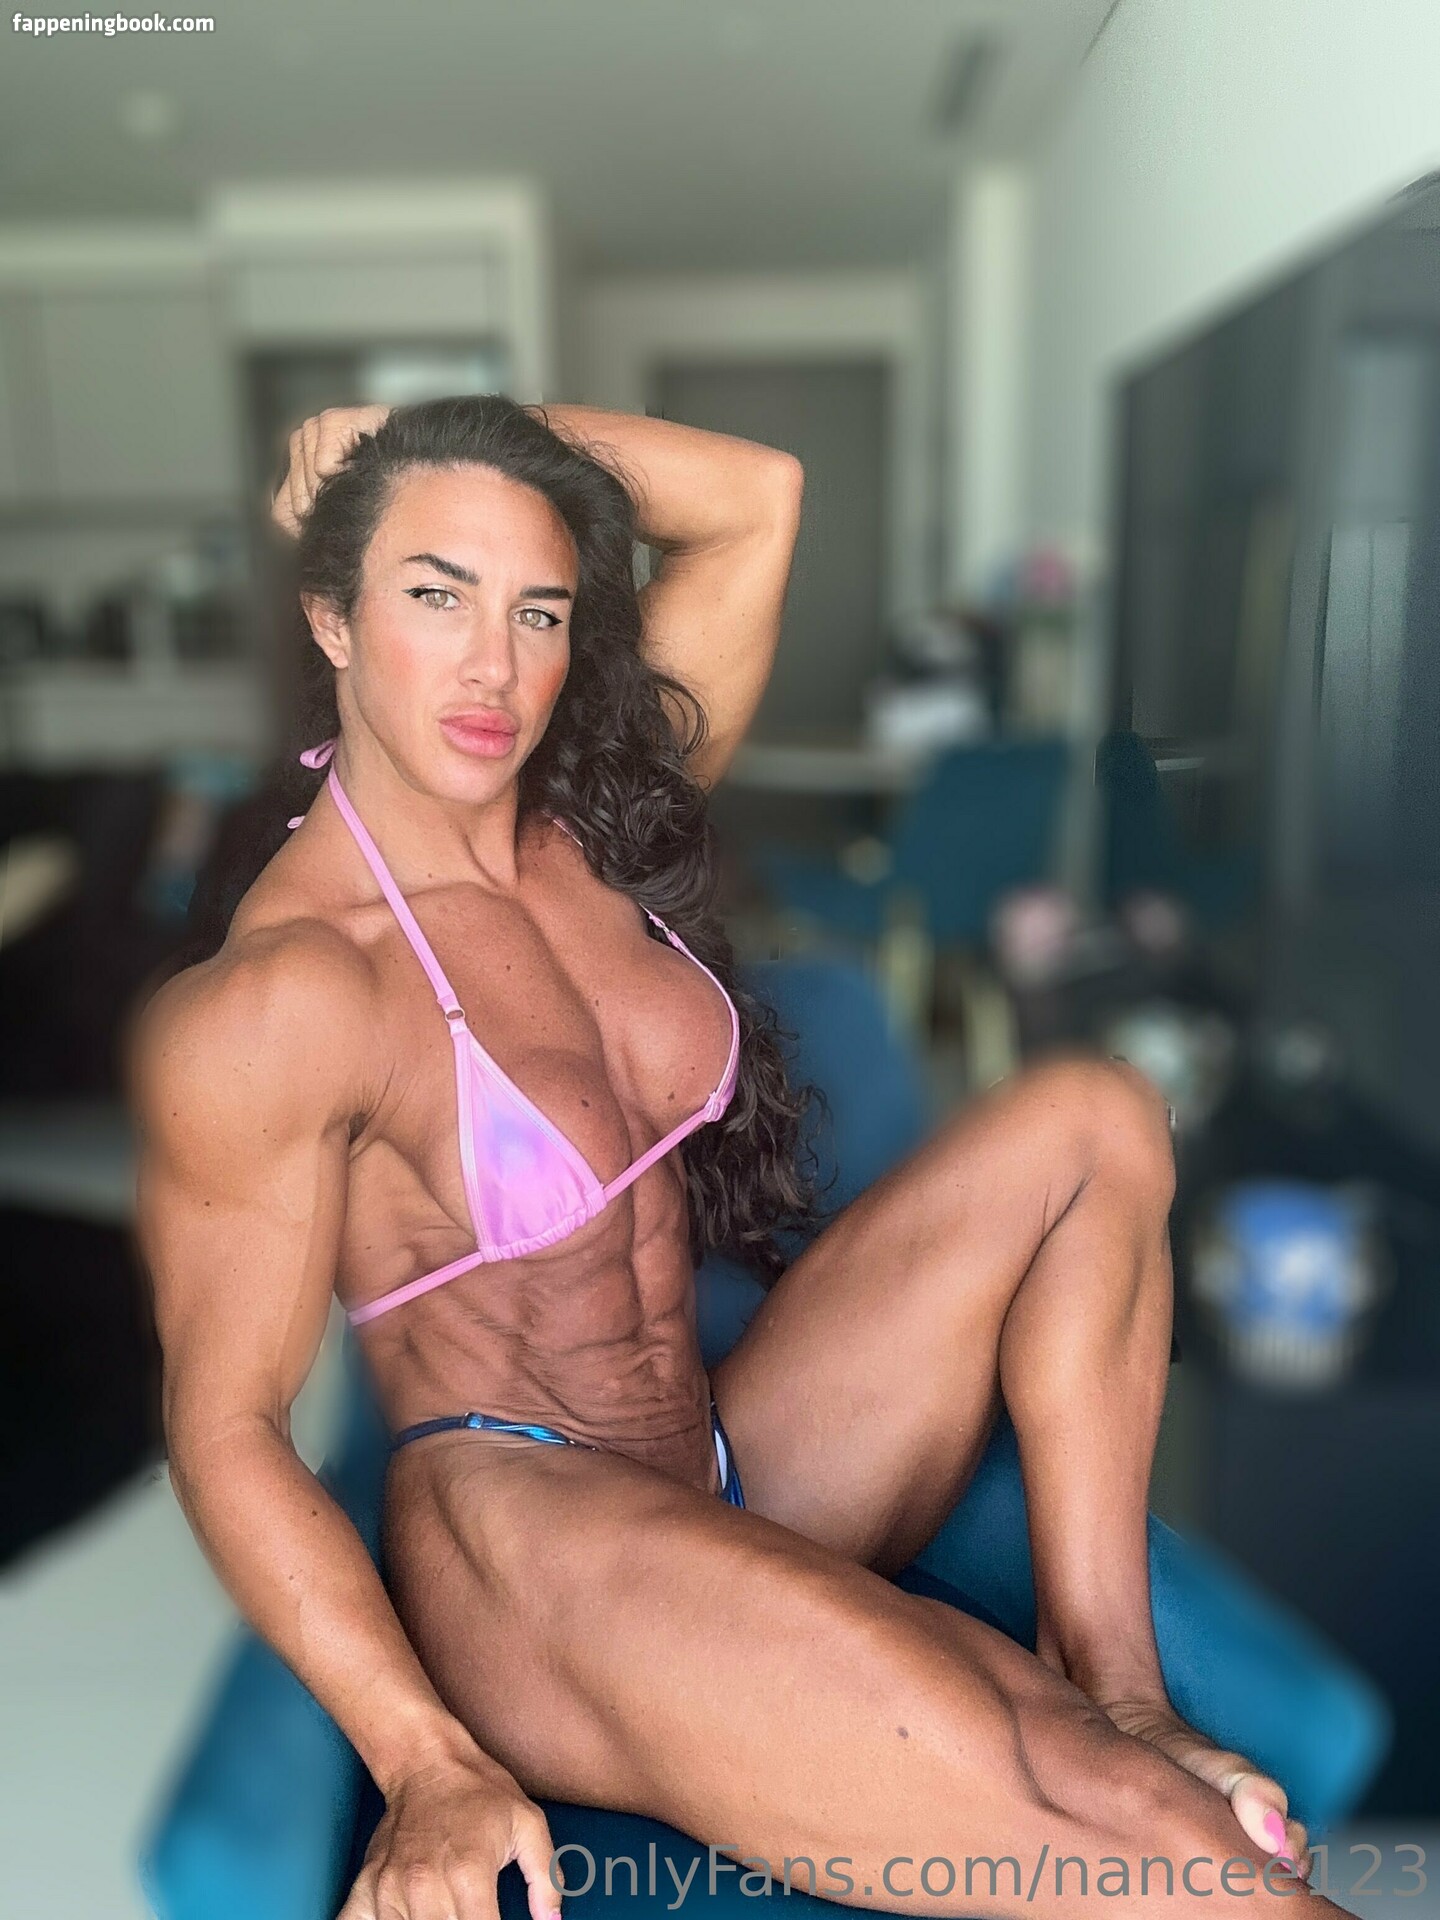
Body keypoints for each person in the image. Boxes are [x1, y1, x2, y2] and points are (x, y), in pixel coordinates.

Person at [134, 395, 1322, 1920]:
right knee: (1108, 1815)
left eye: (538, 610)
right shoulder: (291, 991)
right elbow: (224, 1428)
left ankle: (1123, 1682)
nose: (494, 665)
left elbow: (759, 494)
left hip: (709, 1468)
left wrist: (424, 437)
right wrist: (425, 1761)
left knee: (1095, 1113)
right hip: (530, 1549)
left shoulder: (589, 838)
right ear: (332, 616)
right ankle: (1113, 1755)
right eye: (436, 594)